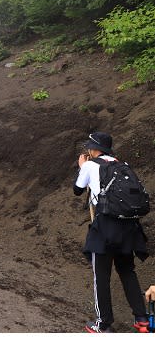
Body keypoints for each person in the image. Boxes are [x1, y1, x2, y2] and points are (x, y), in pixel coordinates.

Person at [73, 131, 149, 333]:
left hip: (106, 226)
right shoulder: (122, 165)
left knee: (102, 275)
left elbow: (77, 189)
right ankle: (142, 319)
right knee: (127, 271)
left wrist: (82, 167)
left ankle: (103, 324)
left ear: (94, 149)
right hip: (129, 227)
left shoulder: (90, 165)